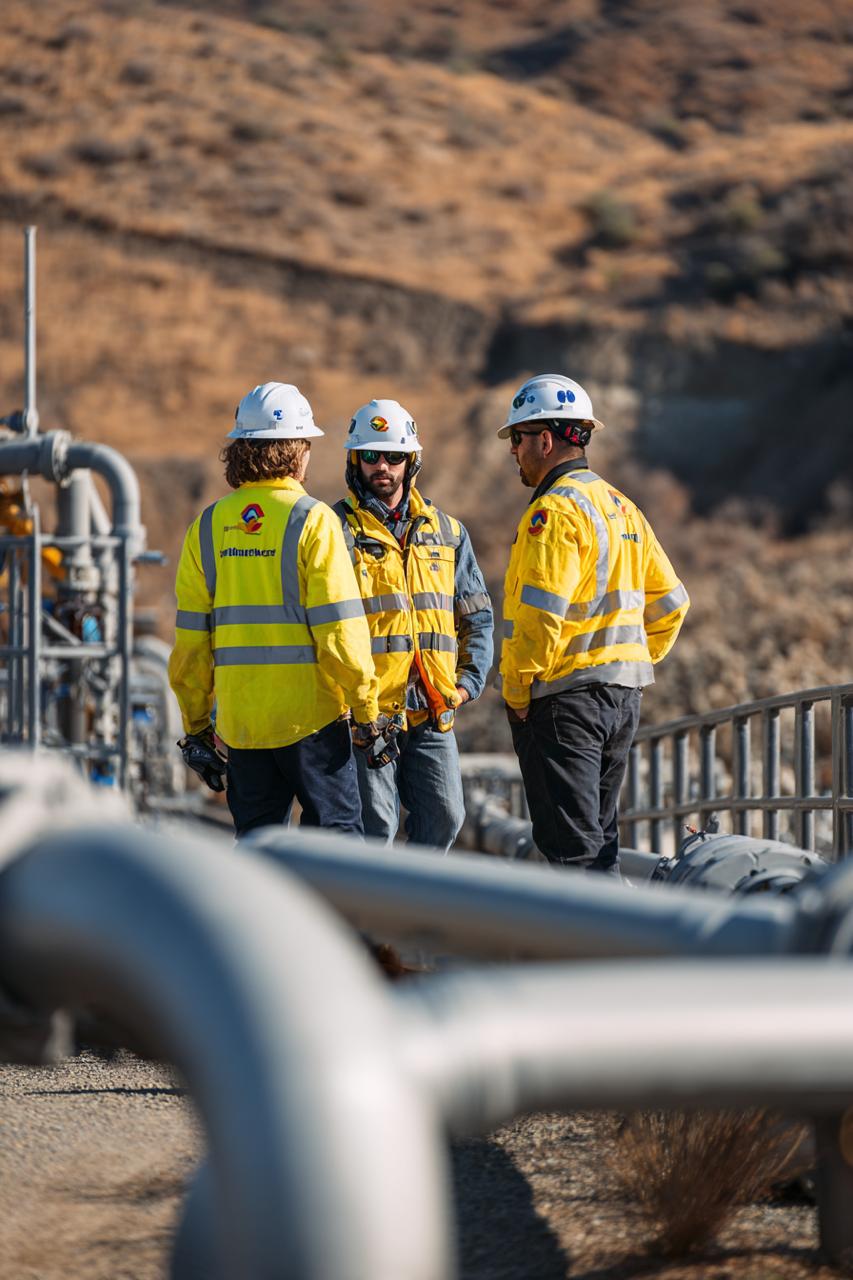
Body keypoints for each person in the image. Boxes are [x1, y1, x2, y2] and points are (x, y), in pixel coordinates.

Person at [168, 382, 382, 838]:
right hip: (313, 721)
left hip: (243, 726)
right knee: (338, 845)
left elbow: (190, 643)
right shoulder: (313, 519)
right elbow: (339, 632)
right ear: (296, 451)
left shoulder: (206, 527)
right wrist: (366, 709)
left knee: (260, 852)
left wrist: (197, 724)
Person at [498, 373, 689, 875]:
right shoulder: (623, 507)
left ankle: (583, 951)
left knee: (571, 852)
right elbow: (672, 604)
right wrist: (630, 659)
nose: (512, 450)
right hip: (622, 698)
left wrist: (516, 692)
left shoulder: (554, 512)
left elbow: (539, 619)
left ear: (544, 439)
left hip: (565, 700)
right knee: (600, 842)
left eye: (516, 438)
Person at [334, 398, 493, 850]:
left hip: (432, 707)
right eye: (370, 455)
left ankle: (412, 907)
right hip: (368, 713)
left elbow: (477, 616)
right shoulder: (334, 531)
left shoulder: (448, 532)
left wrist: (466, 685)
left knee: (445, 816)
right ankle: (373, 917)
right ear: (354, 460)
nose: (382, 466)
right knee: (375, 827)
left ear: (411, 461)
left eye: (393, 456)